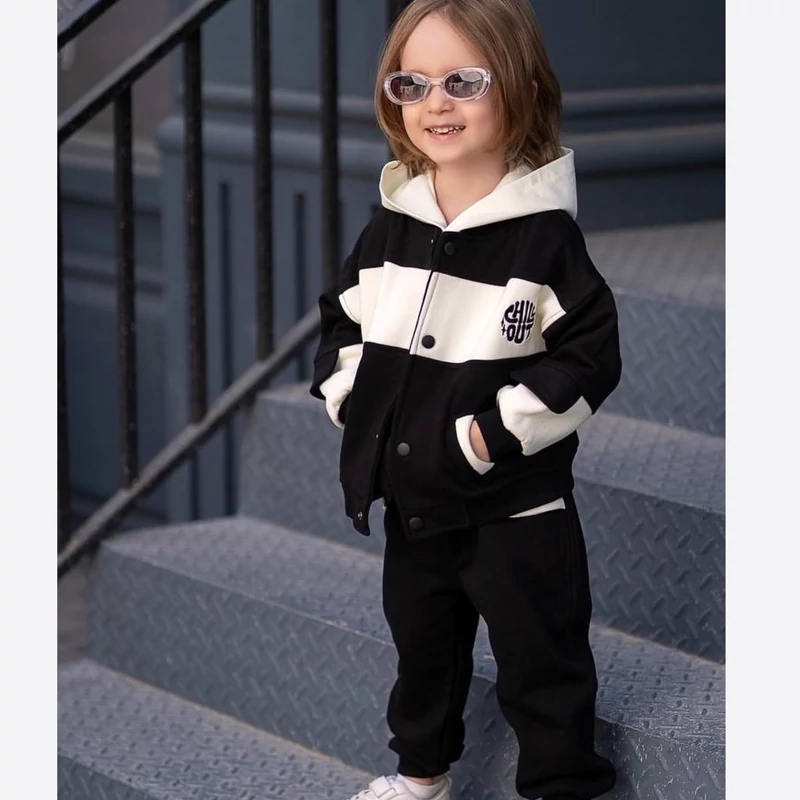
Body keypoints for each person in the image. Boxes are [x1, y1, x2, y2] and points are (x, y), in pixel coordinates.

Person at [309, 1, 621, 798]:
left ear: (521, 88)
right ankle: (422, 778)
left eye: (464, 82)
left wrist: (488, 438)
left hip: (515, 508)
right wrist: (357, 403)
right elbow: (343, 320)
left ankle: (561, 785)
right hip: (416, 503)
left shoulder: (544, 237)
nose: (435, 103)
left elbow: (588, 357)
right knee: (424, 650)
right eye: (411, 83)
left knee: (542, 658)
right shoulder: (392, 225)